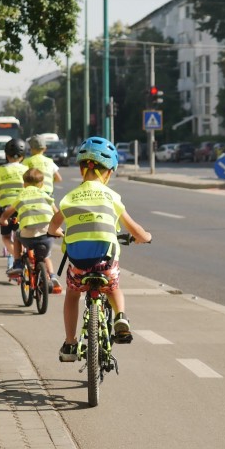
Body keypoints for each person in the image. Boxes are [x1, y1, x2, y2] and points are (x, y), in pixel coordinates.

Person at [47, 136, 151, 362]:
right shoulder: (111, 196)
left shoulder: (69, 198)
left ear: (81, 169)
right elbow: (134, 230)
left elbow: (53, 226)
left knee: (73, 295)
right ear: (109, 172)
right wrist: (145, 237)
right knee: (113, 287)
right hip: (104, 261)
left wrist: (56, 233)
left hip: (78, 263)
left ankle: (70, 343)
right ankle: (120, 317)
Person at [0, 167, 61, 292]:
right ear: (42, 184)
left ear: (24, 184)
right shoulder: (46, 195)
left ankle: (18, 264)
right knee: (46, 256)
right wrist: (57, 229)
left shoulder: (22, 195)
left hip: (28, 236)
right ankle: (53, 277)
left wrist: (3, 220)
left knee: (16, 236)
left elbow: (8, 212)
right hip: (46, 235)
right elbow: (57, 213)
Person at [0, 138, 28, 277]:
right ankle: (26, 256)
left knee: (6, 237)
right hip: (23, 209)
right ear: (23, 156)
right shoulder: (27, 170)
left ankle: (19, 257)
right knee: (22, 235)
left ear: (6, 155)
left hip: (6, 210)